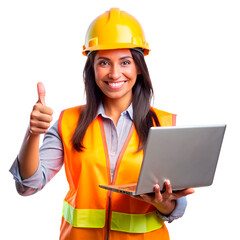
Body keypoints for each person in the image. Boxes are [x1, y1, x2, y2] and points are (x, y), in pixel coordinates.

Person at [10, 8, 194, 240]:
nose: (115, 73)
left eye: (125, 62)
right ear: (92, 68)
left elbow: (178, 207)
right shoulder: (68, 122)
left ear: (138, 66)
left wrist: (165, 204)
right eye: (104, 62)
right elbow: (28, 185)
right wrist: (33, 133)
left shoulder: (164, 124)